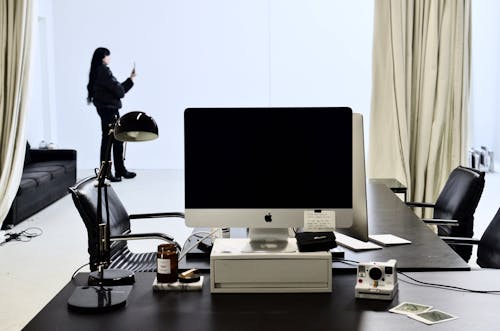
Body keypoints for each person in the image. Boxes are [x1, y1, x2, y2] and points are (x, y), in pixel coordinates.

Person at [86, 47, 136, 182]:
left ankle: (117, 171)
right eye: (108, 55)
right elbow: (119, 91)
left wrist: (130, 80)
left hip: (106, 109)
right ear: (103, 57)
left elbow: (117, 89)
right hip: (109, 110)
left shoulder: (97, 70)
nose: (109, 58)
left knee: (113, 140)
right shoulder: (103, 70)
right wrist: (130, 81)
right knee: (111, 141)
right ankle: (110, 172)